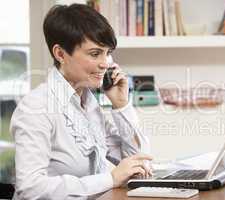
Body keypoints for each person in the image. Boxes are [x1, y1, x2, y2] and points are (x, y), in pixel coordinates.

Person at [10, 4, 152, 199]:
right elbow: (31, 188)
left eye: (107, 52)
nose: (105, 63)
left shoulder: (88, 103)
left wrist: (121, 105)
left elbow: (139, 161)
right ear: (60, 54)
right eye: (95, 54)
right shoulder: (36, 107)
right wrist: (110, 179)